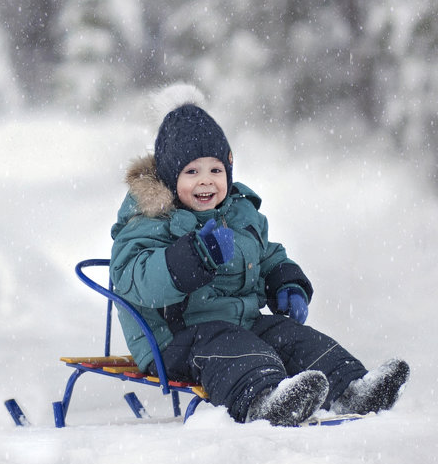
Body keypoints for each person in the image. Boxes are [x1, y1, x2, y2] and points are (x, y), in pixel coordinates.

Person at [109, 102, 410, 426]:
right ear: (170, 177)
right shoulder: (151, 220)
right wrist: (193, 257)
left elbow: (265, 254)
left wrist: (285, 282)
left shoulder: (239, 213)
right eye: (192, 172)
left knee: (292, 337)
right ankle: (263, 400)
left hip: (243, 322)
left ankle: (350, 389)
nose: (206, 181)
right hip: (176, 339)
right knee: (232, 346)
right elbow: (134, 278)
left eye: (216, 170)